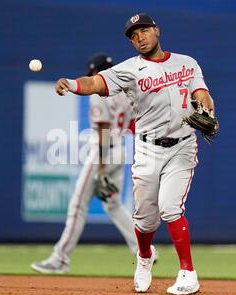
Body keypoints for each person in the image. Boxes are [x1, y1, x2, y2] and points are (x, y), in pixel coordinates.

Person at [54, 13, 216, 295]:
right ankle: (143, 258)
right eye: (133, 35)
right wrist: (71, 83)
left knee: (170, 207)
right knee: (144, 218)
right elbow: (95, 83)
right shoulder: (129, 70)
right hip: (147, 149)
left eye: (143, 30)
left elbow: (201, 93)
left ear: (157, 30)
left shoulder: (187, 63)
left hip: (182, 146)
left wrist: (208, 111)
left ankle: (188, 273)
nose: (139, 37)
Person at [31, 53, 151, 274]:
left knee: (78, 205)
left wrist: (102, 168)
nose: (92, 76)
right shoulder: (125, 91)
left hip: (102, 154)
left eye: (93, 73)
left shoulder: (99, 93)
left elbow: (103, 129)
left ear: (98, 72)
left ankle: (60, 258)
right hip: (121, 150)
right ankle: (144, 250)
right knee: (113, 205)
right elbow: (135, 123)